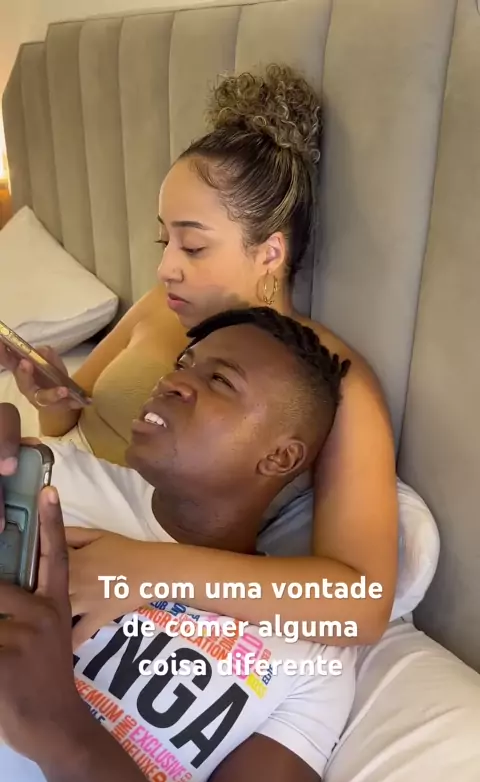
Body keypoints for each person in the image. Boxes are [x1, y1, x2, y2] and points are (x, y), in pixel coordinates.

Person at [0, 65, 398, 647]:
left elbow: (358, 607)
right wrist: (53, 397)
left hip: (107, 552)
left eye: (193, 245)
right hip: (46, 492)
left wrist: (147, 569)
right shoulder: (164, 306)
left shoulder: (326, 378)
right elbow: (70, 427)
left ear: (270, 252)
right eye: (165, 241)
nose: (165, 267)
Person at [0, 308, 355, 782]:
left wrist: (66, 737)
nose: (172, 380)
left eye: (220, 380)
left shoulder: (311, 653)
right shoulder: (53, 480)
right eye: (183, 363)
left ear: (280, 456)